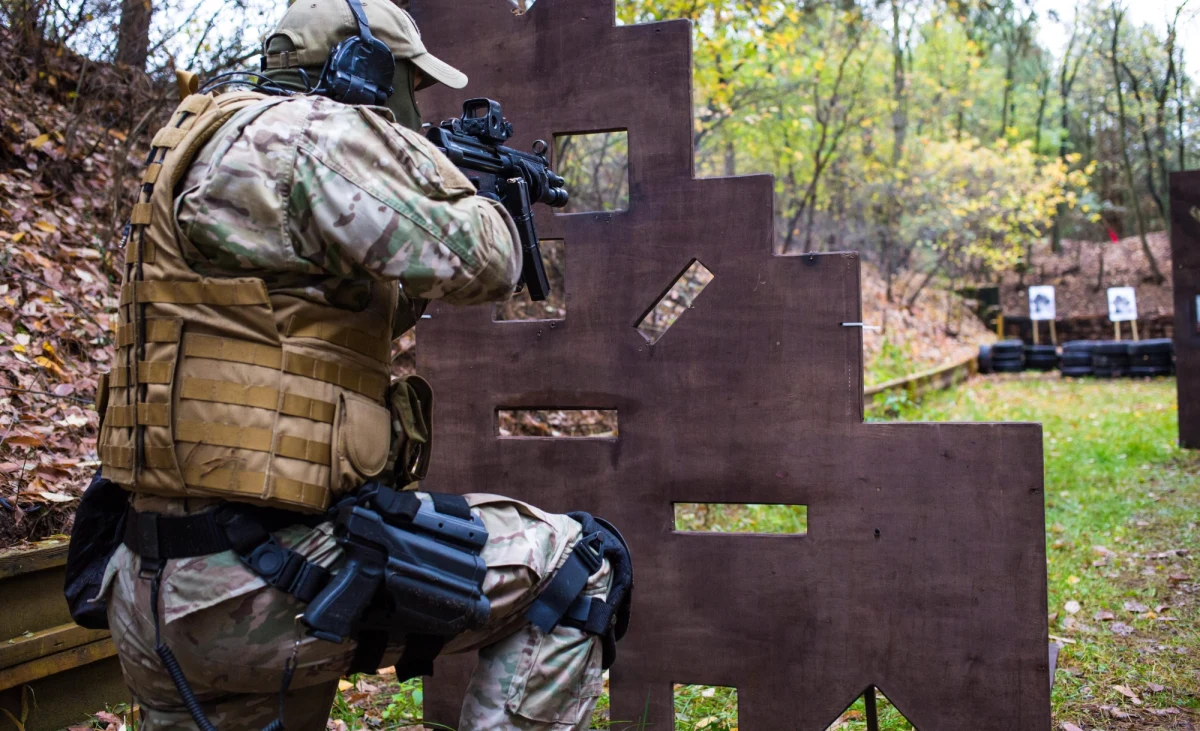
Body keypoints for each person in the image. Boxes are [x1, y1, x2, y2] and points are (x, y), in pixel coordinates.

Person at [93, 1, 630, 729]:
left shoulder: (199, 137)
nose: (413, 108)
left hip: (149, 587)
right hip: (264, 583)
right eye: (409, 84)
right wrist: (472, 187)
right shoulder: (310, 135)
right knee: (581, 564)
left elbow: (299, 313)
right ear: (365, 69)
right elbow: (486, 259)